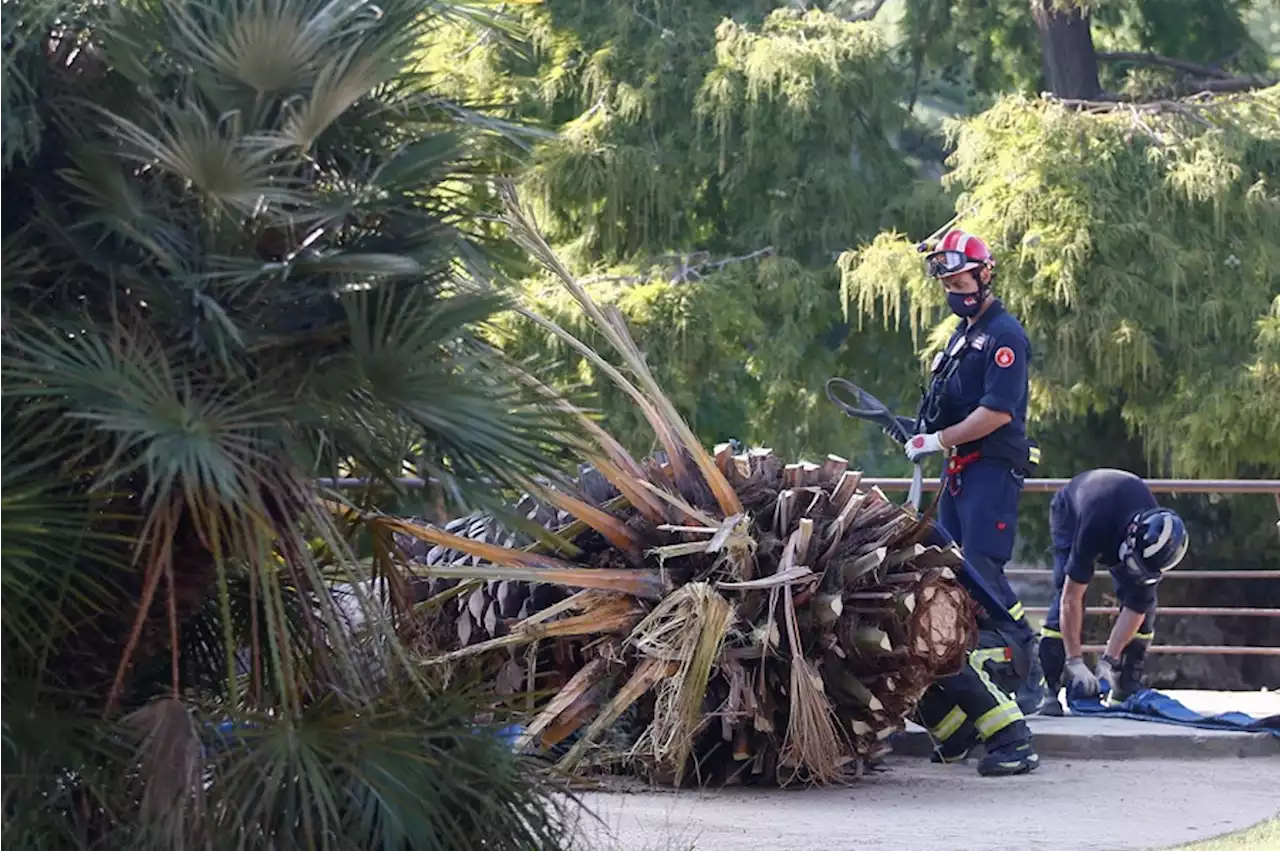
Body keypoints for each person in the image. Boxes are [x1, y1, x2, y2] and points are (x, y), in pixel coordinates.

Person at [902, 229, 1045, 714]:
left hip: (991, 468)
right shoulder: (963, 336)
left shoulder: (1004, 335)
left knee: (983, 566)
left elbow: (997, 413)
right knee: (956, 568)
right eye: (946, 284)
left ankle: (1029, 657)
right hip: (960, 469)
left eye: (960, 281)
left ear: (985, 276)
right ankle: (986, 667)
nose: (953, 293)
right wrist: (922, 433)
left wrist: (939, 440)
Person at [1037, 469, 1190, 715]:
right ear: (1130, 538)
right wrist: (1075, 660)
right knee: (1062, 592)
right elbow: (1071, 598)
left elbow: (1137, 606)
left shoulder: (1156, 541)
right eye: (1133, 565)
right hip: (1072, 513)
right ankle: (1050, 687)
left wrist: (1108, 660)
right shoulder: (1095, 523)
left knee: (1145, 604)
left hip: (1117, 525)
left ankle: (1125, 685)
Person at [914, 522, 1040, 776]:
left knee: (952, 651)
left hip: (1006, 644)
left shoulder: (929, 545)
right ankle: (958, 734)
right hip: (981, 641)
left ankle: (1014, 742)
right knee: (899, 671)